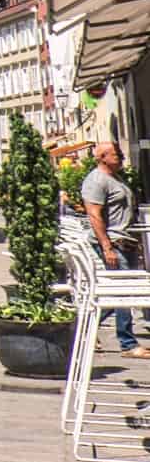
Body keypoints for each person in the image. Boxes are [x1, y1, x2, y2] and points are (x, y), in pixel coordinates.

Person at [81, 142, 148, 359]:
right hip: (113, 243)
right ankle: (127, 343)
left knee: (117, 293)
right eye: (116, 154)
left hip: (124, 241)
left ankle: (79, 328)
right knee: (123, 292)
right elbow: (94, 215)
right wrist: (107, 246)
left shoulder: (115, 178)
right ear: (102, 157)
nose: (121, 157)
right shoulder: (96, 180)